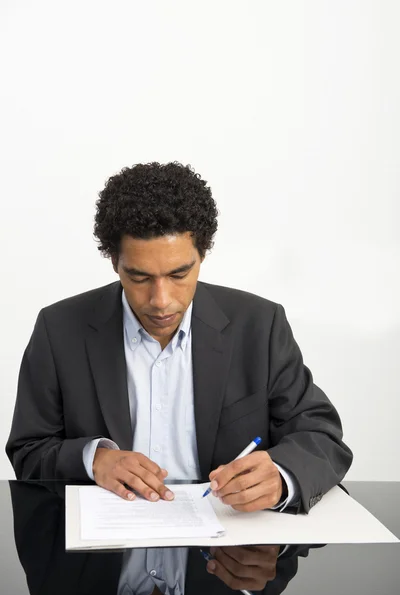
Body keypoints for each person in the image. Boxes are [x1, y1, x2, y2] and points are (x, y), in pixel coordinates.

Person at [6, 162, 353, 514]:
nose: (161, 301)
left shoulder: (259, 326)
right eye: (139, 277)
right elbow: (28, 451)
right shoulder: (59, 329)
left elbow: (322, 436)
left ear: (202, 255)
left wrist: (281, 476)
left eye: (179, 274)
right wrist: (92, 460)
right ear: (114, 261)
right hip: (106, 556)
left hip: (226, 551)